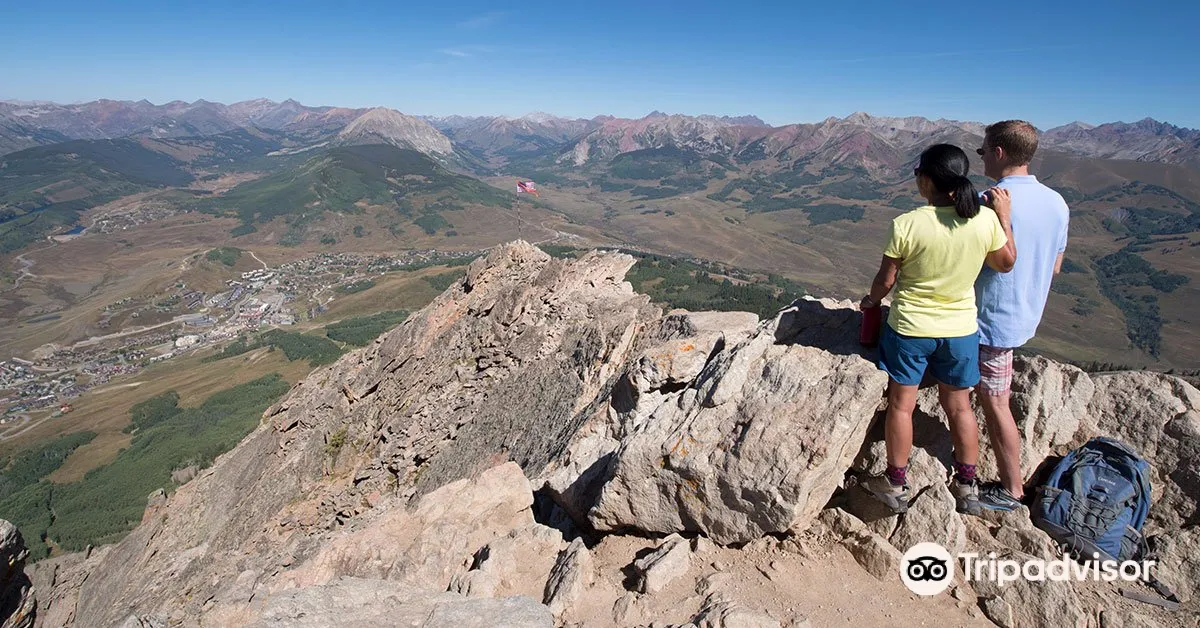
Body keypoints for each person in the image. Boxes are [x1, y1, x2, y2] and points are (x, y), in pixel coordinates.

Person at [859, 143, 1016, 515]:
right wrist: (1003, 218)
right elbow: (1006, 263)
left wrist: (871, 302)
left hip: (911, 328)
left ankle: (896, 484)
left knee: (901, 405)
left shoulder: (907, 224)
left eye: (917, 173)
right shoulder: (983, 220)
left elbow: (886, 281)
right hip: (961, 330)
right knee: (960, 407)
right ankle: (966, 485)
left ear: (926, 179)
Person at [973, 120, 1070, 511]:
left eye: (982, 151)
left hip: (986, 319)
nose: (981, 157)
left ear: (998, 153)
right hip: (1021, 316)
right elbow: (1056, 266)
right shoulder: (1057, 202)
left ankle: (1011, 489)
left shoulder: (988, 200)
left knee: (995, 403)